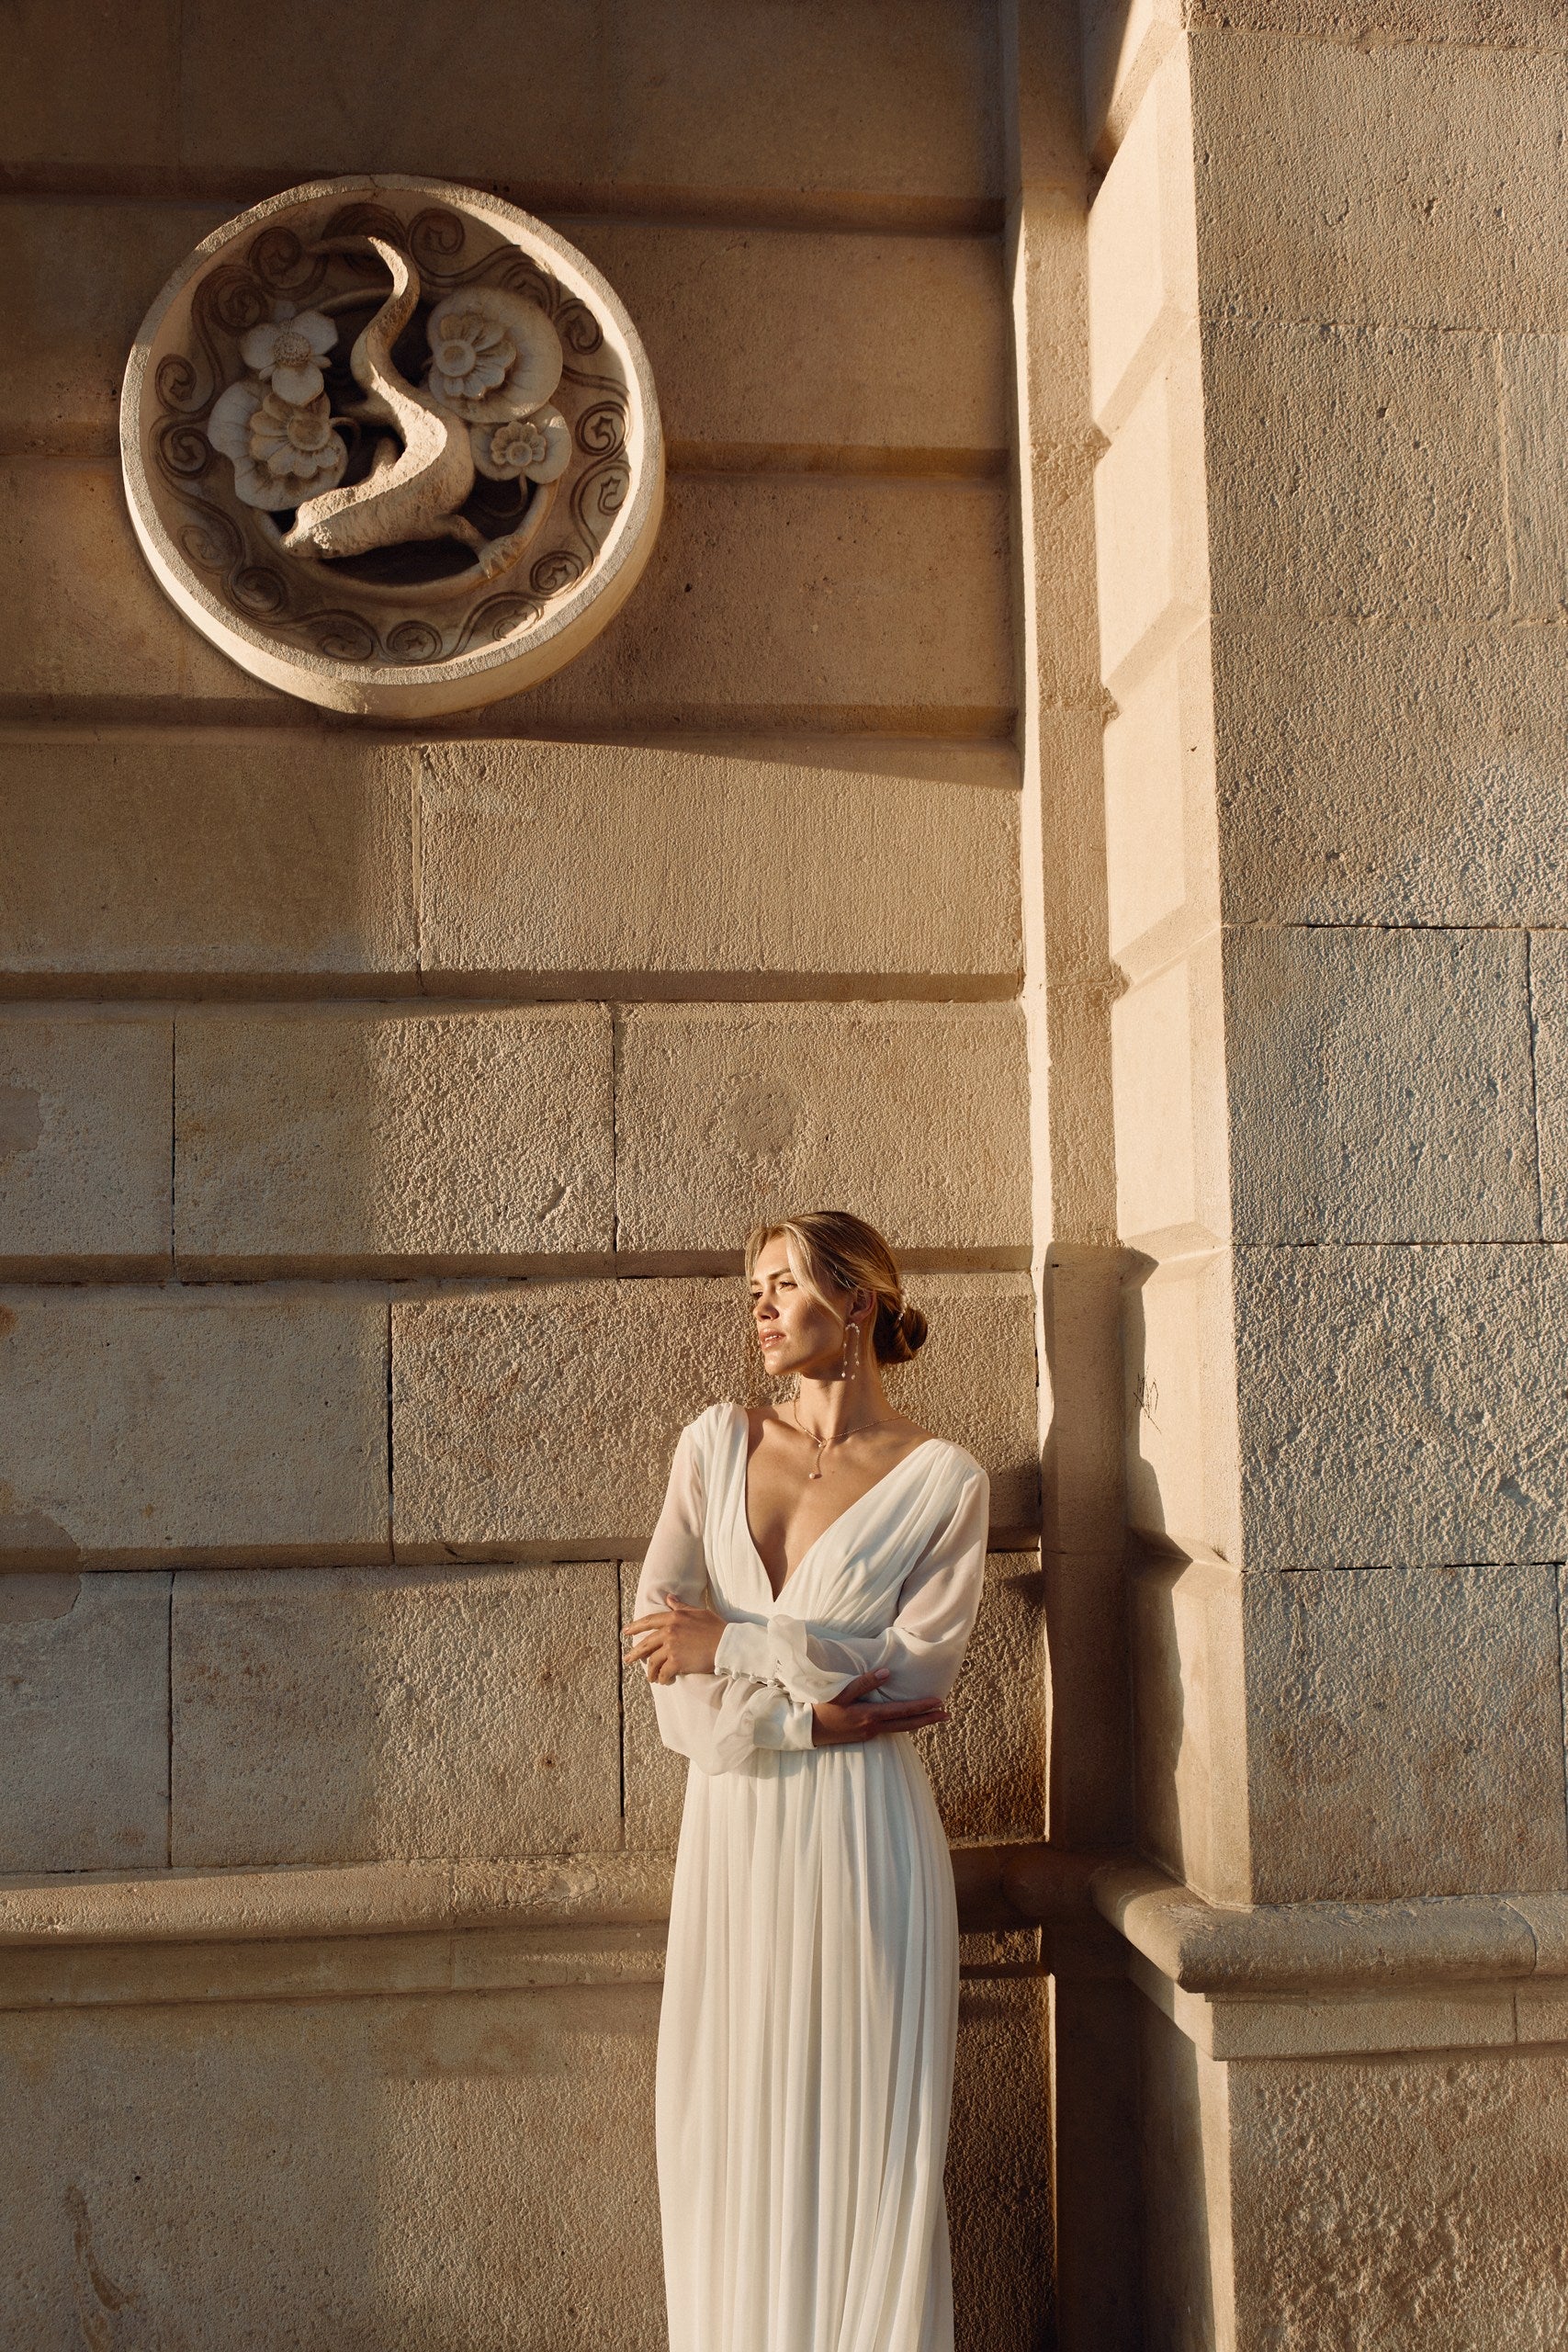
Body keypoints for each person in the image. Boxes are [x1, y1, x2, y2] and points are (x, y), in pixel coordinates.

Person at [623, 1210, 991, 2352]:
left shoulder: (943, 1481)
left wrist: (729, 1643)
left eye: (785, 1284)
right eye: (754, 1292)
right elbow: (654, 1650)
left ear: (862, 1303)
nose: (763, 1310)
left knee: (861, 2141)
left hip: (863, 1841)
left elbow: (909, 1681)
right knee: (724, 2128)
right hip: (734, 1836)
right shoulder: (713, 1445)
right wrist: (798, 1711)